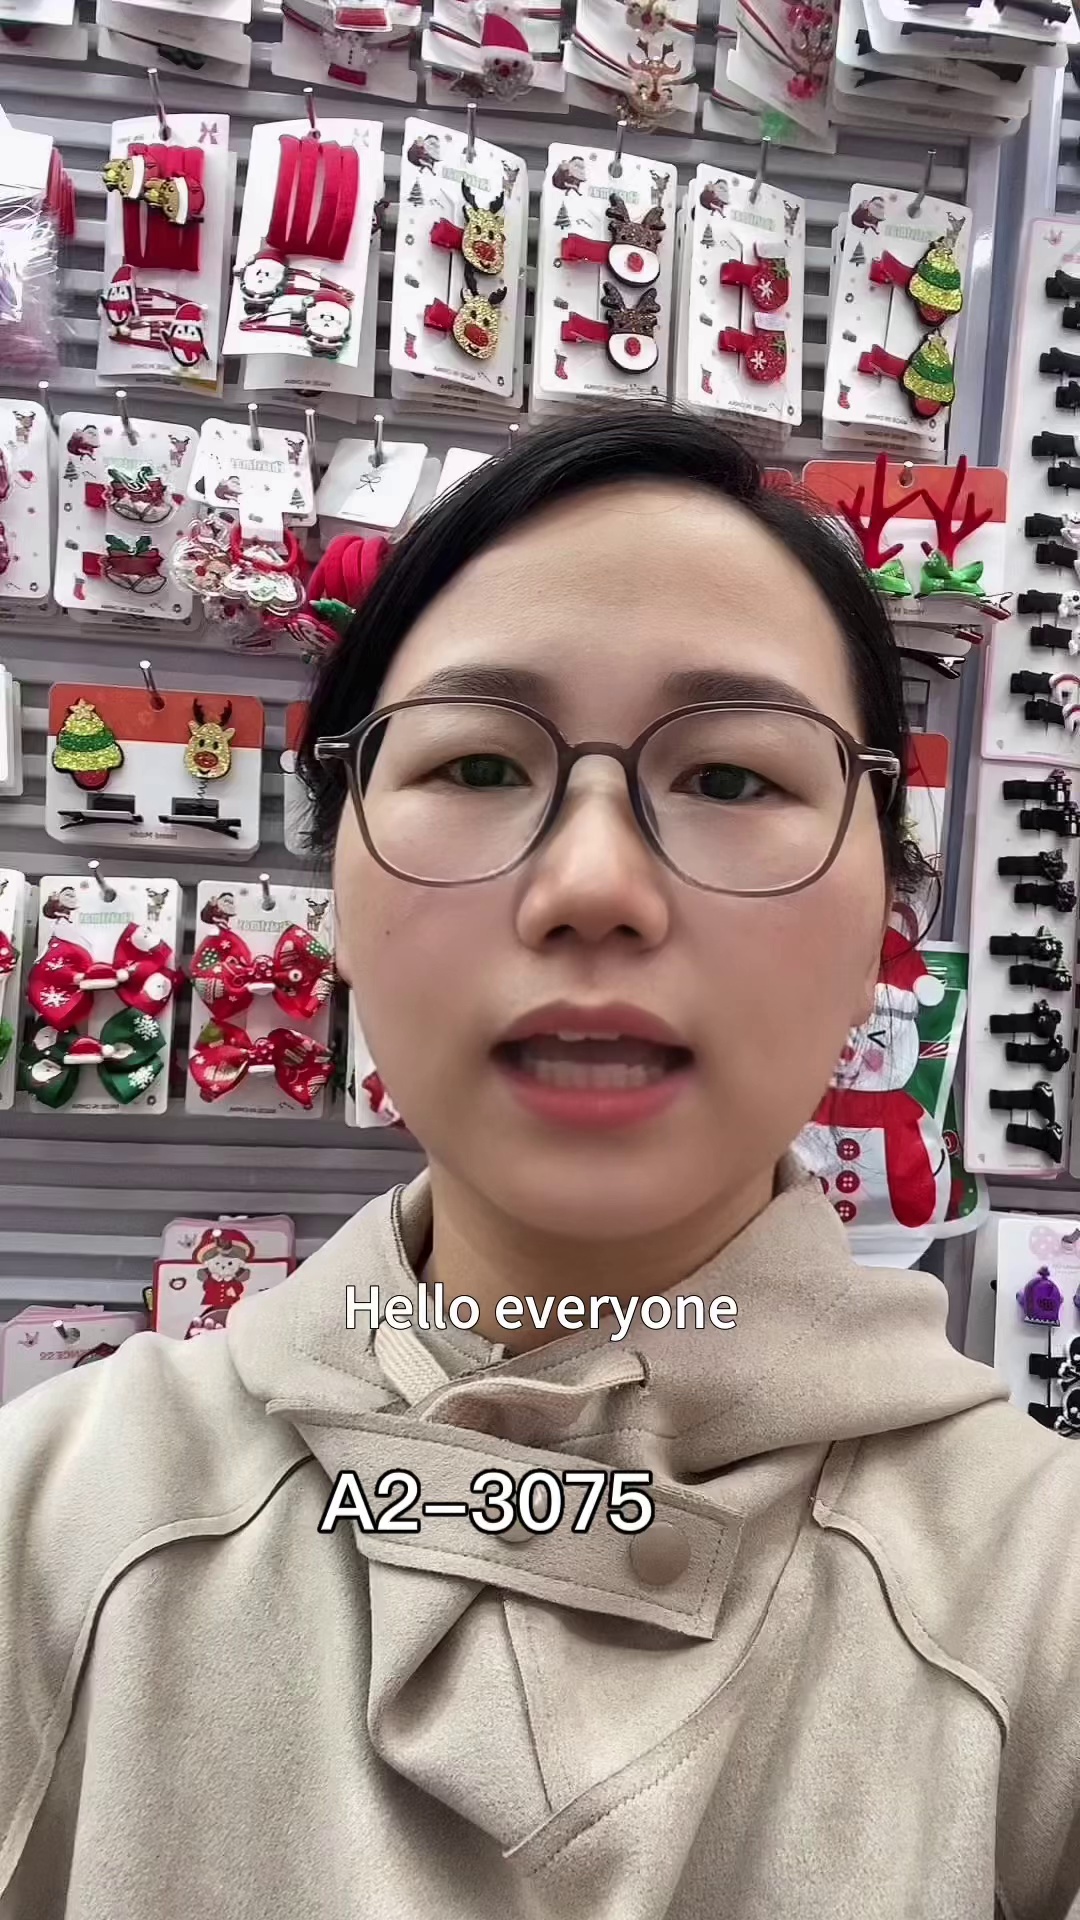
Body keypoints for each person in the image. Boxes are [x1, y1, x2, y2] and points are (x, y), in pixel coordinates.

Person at [1, 411, 1077, 1920]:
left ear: (882, 921)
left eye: (732, 779)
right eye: (479, 761)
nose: (592, 885)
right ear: (337, 891)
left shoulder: (1046, 1610)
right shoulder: (51, 1527)